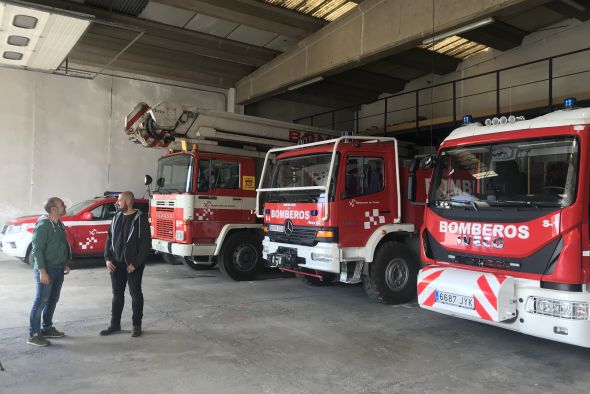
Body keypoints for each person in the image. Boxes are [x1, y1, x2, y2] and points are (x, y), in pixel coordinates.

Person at [100, 191, 151, 338]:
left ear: (128, 201)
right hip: (116, 264)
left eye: (120, 200)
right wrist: (108, 259)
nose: (117, 202)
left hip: (133, 265)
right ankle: (114, 324)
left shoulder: (140, 219)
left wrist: (135, 264)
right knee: (117, 295)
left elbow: (145, 245)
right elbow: (109, 239)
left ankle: (136, 325)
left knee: (135, 294)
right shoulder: (116, 217)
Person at [28, 197, 70, 347]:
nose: (64, 206)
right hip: (47, 269)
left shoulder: (59, 224)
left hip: (58, 268)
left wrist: (65, 262)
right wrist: (42, 271)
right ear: (53, 209)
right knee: (41, 301)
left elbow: (62, 244)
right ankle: (34, 334)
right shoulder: (43, 226)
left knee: (52, 300)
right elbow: (37, 250)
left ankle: (46, 328)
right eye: (61, 205)